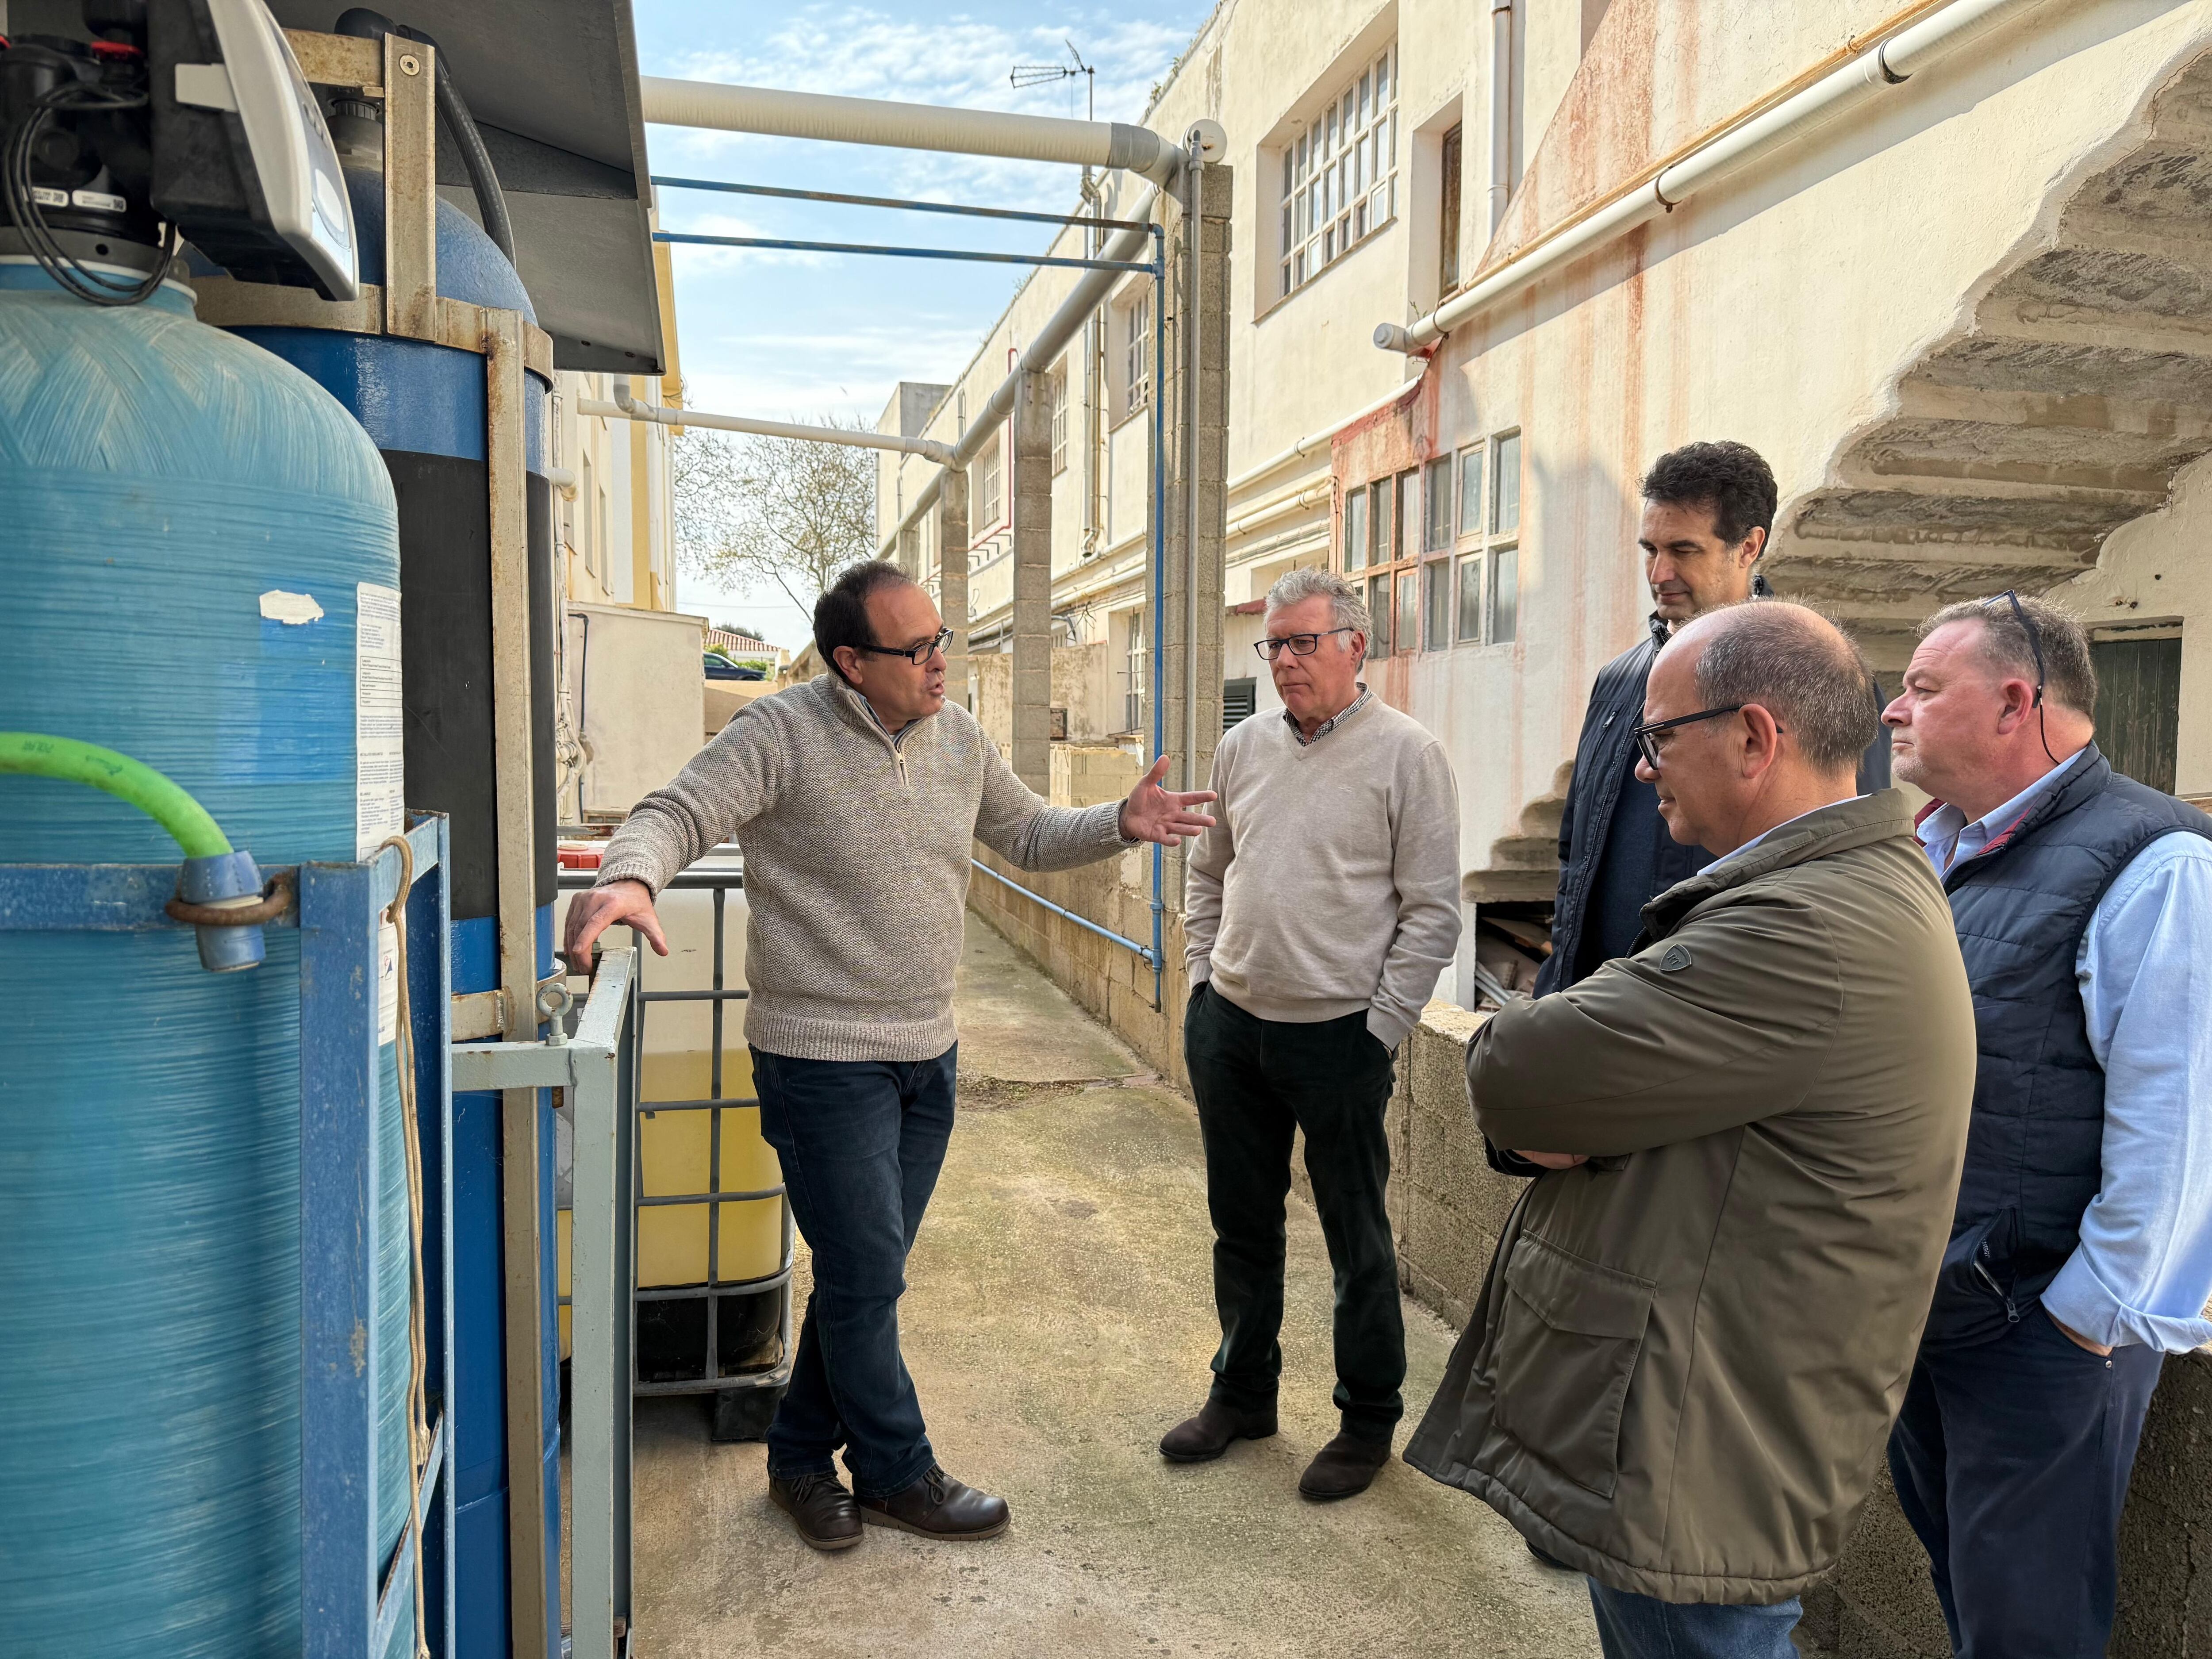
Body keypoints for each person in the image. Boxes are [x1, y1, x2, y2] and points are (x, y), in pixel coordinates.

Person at [563, 560, 1217, 1552]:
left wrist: (1119, 823)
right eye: (915, 650)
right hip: (821, 1061)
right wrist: (631, 878)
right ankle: (896, 1472)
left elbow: (1030, 834)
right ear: (851, 662)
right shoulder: (779, 734)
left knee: (861, 1278)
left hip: (928, 1052)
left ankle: (796, 1459)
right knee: (868, 1277)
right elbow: (675, 813)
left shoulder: (960, 739)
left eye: (940, 639)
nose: (939, 662)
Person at [1407, 602, 1978, 1659]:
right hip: (1704, 1409)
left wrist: (1590, 1117)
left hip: (1695, 1442)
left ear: (1754, 737)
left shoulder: (1800, 928)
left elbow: (1514, 1067)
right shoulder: (1836, 888)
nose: (1640, 768)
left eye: (1659, 737)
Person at [1880, 593, 2212, 1659]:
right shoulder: (1935, 850)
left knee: (2028, 1628)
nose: (1893, 709)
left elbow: (2181, 1121)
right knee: (1969, 1595)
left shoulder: (2161, 864)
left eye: (1923, 687)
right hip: (1931, 1304)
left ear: (2014, 702)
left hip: (2038, 1331)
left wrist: (2085, 1318)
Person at [1161, 567, 1461, 1502]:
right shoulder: (1242, 746)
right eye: (1274, 645)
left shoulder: (1409, 755)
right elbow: (1208, 871)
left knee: (1355, 1239)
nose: (1284, 662)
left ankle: (1367, 1421)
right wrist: (1202, 980)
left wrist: (1379, 1032)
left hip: (1338, 1040)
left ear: (1354, 646)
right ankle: (1243, 1394)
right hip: (1230, 1028)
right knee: (1241, 1229)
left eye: (1303, 642)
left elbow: (1432, 913)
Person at [1533, 440, 1776, 1003]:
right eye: (1650, 549)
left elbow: (1834, 872)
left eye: (1683, 550)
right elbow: (1574, 857)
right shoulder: (1617, 680)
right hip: (1590, 1011)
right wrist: (1555, 987)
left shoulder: (1809, 680)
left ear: (1748, 546)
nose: (1659, 573)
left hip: (1710, 1021)